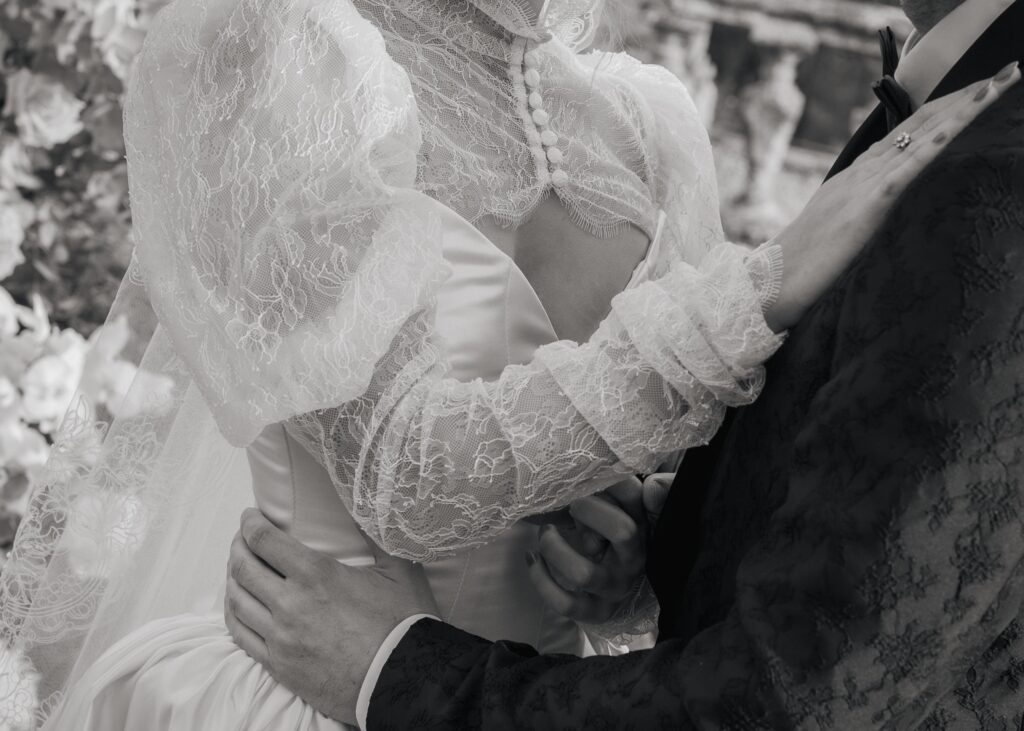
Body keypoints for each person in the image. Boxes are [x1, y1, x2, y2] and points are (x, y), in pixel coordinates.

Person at [0, 1, 1011, 730]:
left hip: (533, 698)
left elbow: (688, 482)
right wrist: (762, 286)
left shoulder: (642, 127)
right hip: (307, 683)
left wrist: (621, 559)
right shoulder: (275, 42)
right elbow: (399, 479)